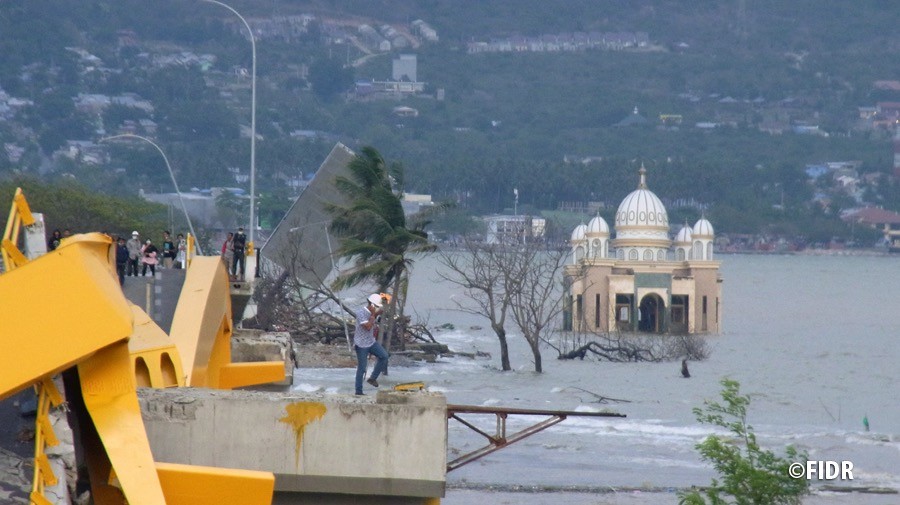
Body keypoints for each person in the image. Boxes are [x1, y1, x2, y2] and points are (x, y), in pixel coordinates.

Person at [353, 293, 389, 395]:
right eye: (377, 307)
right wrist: (374, 315)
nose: (378, 308)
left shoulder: (373, 313)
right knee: (362, 368)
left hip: (371, 342)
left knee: (384, 356)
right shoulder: (361, 313)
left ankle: (372, 378)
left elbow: (373, 322)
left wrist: (376, 314)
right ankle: (358, 391)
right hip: (361, 344)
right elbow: (368, 326)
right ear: (372, 305)